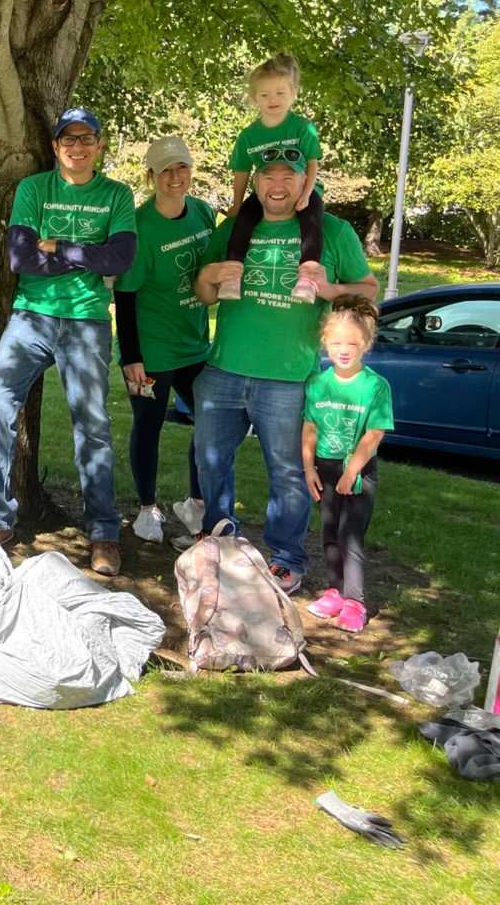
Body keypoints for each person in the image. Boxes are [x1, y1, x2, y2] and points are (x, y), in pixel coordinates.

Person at [193, 157, 378, 594]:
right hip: (224, 370)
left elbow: (370, 291)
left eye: (288, 177)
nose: (277, 185)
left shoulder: (332, 231)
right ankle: (220, 539)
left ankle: (287, 559)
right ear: (255, 181)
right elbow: (203, 294)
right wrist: (209, 275)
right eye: (268, 176)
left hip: (290, 377)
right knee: (210, 461)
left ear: (305, 182)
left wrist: (329, 289)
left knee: (289, 472)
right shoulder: (234, 228)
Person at [0, 106, 137, 575]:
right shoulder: (34, 189)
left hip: (87, 320)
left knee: (92, 425)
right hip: (33, 317)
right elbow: (21, 260)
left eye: (86, 138)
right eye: (67, 139)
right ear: (55, 146)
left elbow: (122, 259)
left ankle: (104, 531)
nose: (76, 146)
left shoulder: (116, 194)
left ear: (99, 144)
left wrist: (61, 247)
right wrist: (91, 257)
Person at [113, 134, 215, 545]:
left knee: (211, 423)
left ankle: (195, 503)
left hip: (195, 344)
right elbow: (124, 295)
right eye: (166, 169)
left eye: (182, 167)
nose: (176, 177)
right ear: (151, 175)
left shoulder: (204, 213)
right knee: (149, 425)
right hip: (151, 350)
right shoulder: (140, 226)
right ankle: (146, 509)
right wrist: (131, 356)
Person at [302, 297, 392, 633]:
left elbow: (374, 432)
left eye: (352, 343)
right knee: (329, 533)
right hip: (323, 469)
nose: (344, 349)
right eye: (336, 342)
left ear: (366, 344)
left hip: (358, 472)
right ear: (325, 342)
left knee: (350, 536)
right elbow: (309, 428)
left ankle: (355, 601)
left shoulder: (374, 386)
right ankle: (335, 592)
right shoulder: (317, 383)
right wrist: (309, 468)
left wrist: (353, 470)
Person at [223, 52, 323, 303]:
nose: (273, 100)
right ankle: (232, 275)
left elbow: (312, 163)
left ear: (294, 92)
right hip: (266, 191)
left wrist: (308, 193)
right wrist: (237, 203)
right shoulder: (248, 136)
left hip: (303, 187)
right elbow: (242, 172)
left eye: (280, 93)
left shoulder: (302, 127)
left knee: (311, 222)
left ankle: (308, 279)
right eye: (265, 94)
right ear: (255, 97)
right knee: (243, 220)